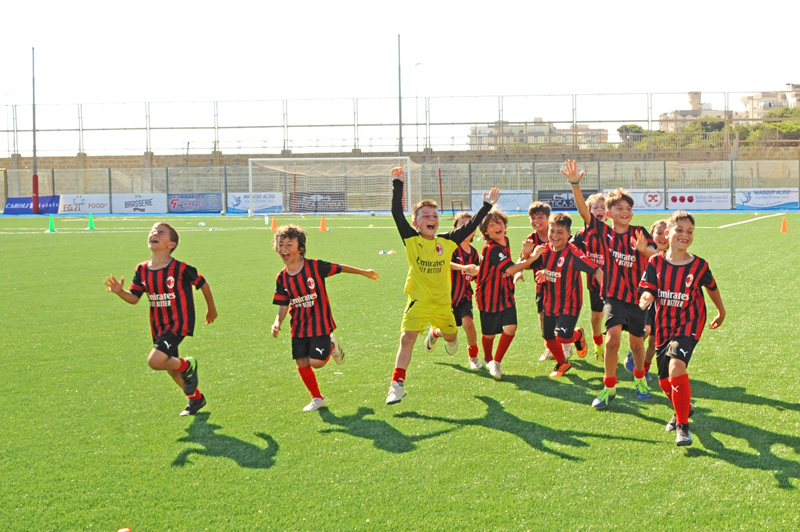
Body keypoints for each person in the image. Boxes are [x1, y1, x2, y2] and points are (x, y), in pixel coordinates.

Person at [386, 167, 499, 404]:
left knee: (451, 337)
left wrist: (486, 206)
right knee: (407, 338)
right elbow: (397, 213)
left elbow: (469, 227)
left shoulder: (447, 241)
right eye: (425, 216)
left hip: (443, 305)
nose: (431, 219)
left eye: (435, 216)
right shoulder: (411, 239)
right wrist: (398, 183)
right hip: (418, 302)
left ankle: (437, 333)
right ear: (416, 223)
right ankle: (397, 385)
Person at [561, 159, 656, 409]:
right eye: (619, 208)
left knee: (637, 343)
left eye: (629, 208)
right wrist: (575, 185)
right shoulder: (604, 233)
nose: (625, 211)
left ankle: (639, 379)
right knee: (613, 339)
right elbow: (583, 212)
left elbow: (658, 257)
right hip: (613, 296)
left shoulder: (639, 232)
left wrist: (645, 250)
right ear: (609, 212)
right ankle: (609, 386)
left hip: (638, 298)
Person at [104, 222, 218, 416]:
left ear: (171, 245)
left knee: (155, 361)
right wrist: (119, 292)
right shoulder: (142, 269)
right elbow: (134, 298)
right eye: (152, 231)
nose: (154, 234)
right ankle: (196, 399)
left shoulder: (181, 269)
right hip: (158, 326)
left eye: (160, 232)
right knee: (170, 367)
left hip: (178, 323)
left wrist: (211, 309)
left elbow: (203, 283)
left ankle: (188, 365)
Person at [639, 210, 725, 446]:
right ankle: (684, 407)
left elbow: (712, 287)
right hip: (664, 325)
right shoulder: (655, 262)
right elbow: (648, 287)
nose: (685, 235)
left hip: (690, 322)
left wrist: (721, 311)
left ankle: (682, 426)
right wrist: (646, 297)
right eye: (679, 230)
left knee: (677, 367)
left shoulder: (699, 265)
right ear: (667, 233)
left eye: (689, 231)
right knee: (664, 382)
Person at [271, 224, 378, 412]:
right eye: (280, 244)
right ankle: (317, 397)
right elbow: (283, 303)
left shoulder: (314, 267)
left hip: (319, 324)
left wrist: (364, 272)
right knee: (301, 362)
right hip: (298, 326)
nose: (284, 249)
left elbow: (340, 268)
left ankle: (331, 346)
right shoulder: (282, 278)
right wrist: (277, 322)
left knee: (317, 363)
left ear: (300, 248)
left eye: (289, 244)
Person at [529, 212, 602, 378]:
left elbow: (596, 270)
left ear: (568, 234)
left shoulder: (574, 254)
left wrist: (606, 291)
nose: (555, 236)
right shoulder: (545, 249)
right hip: (550, 302)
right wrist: (533, 260)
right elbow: (529, 265)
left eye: (560, 232)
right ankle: (563, 363)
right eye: (552, 231)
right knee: (548, 337)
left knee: (562, 337)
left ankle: (578, 335)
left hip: (570, 304)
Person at [475, 206, 538, 380]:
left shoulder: (505, 240)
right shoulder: (491, 248)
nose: (498, 226)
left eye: (500, 222)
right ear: (485, 231)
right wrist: (532, 258)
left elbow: (511, 267)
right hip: (488, 296)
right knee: (489, 334)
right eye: (492, 225)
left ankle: (496, 362)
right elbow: (510, 269)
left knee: (511, 327)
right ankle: (488, 358)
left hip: (505, 293)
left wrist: (525, 255)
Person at [513, 201, 572, 361]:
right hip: (542, 286)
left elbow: (570, 259)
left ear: (548, 218)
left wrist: (549, 271)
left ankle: (566, 344)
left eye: (540, 217)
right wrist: (526, 257)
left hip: (562, 284)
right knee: (543, 316)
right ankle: (549, 347)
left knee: (562, 315)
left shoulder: (559, 235)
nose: (536, 221)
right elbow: (524, 263)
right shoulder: (531, 239)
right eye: (533, 218)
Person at [426, 212, 482, 369]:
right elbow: (442, 263)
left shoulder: (474, 253)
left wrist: (477, 272)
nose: (466, 228)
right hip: (446, 297)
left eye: (469, 226)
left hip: (464, 295)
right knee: (450, 334)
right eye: (462, 225)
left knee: (468, 324)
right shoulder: (450, 248)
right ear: (455, 228)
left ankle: (473, 357)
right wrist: (463, 267)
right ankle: (435, 333)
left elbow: (477, 276)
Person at [624, 218, 669, 380]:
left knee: (655, 341)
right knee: (646, 330)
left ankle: (646, 367)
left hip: (662, 302)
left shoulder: (673, 256)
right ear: (651, 235)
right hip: (644, 298)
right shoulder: (645, 252)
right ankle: (633, 352)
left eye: (666, 233)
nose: (662, 237)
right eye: (658, 233)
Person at [571, 193, 608, 359]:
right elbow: (569, 251)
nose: (600, 210)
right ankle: (598, 345)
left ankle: (615, 349)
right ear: (588, 211)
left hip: (615, 283)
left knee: (617, 318)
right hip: (594, 284)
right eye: (595, 207)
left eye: (603, 207)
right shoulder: (582, 234)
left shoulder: (614, 232)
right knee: (596, 317)